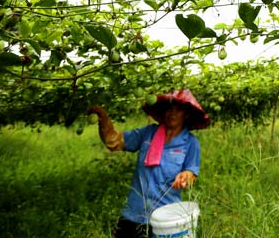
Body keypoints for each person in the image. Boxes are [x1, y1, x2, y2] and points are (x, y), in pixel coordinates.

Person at [87, 88, 209, 238]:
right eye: (169, 109)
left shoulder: (190, 143)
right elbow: (115, 141)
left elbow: (191, 172)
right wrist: (103, 119)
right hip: (134, 211)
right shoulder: (148, 133)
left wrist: (185, 177)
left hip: (165, 215)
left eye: (177, 110)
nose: (172, 113)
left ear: (186, 114)